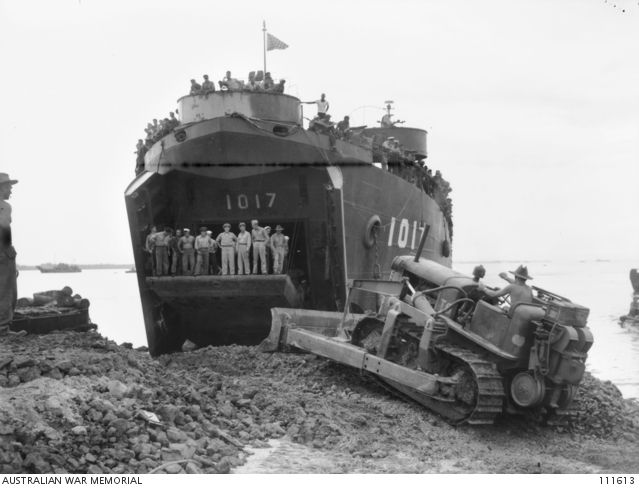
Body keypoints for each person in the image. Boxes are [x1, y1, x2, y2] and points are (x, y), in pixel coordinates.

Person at [0, 173, 24, 336]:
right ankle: (2, 329)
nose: (11, 190)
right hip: (3, 251)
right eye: (9, 186)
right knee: (7, 292)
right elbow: (4, 229)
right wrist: (8, 254)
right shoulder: (5, 206)